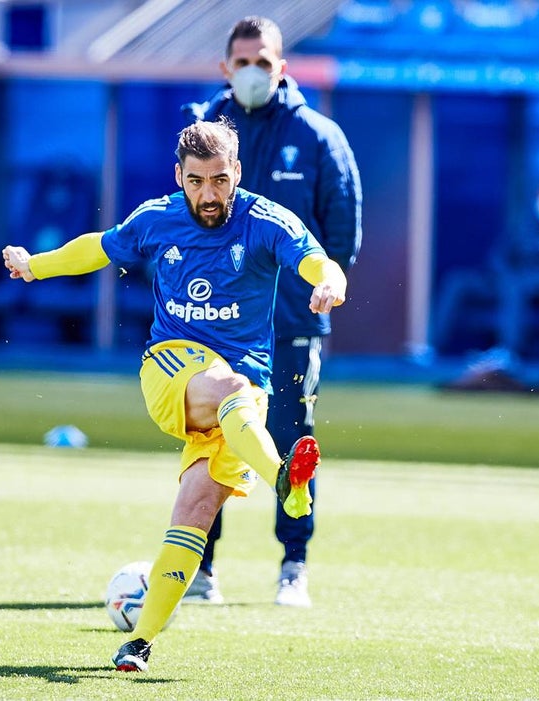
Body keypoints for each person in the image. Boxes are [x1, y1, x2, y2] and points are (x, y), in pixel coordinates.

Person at [0, 118, 348, 672]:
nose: (209, 194)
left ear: (237, 172)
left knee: (196, 511)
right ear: (179, 177)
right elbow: (98, 247)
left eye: (219, 180)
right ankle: (284, 477)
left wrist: (330, 283)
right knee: (230, 386)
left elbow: (317, 260)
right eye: (196, 181)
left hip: (240, 401)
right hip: (172, 369)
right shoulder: (157, 219)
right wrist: (35, 266)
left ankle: (137, 643)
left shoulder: (266, 221)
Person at [178, 16, 362, 608]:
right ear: (225, 68)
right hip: (216, 324)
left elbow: (343, 232)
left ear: (282, 66)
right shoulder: (203, 136)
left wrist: (324, 281)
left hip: (290, 323)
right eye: (243, 60)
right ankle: (199, 569)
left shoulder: (317, 136)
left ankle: (293, 564)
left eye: (264, 60)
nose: (253, 70)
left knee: (290, 440)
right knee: (209, 439)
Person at [434, 177, 539, 390]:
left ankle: (507, 352)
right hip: (508, 282)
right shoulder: (526, 223)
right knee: (457, 280)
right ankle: (432, 348)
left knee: (517, 286)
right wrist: (505, 275)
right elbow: (499, 256)